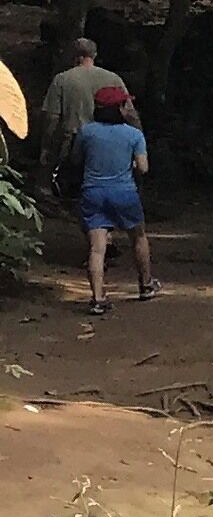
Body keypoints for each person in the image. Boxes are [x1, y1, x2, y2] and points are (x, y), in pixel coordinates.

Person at [70, 85, 154, 314]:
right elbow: (144, 168)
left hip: (93, 193)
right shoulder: (134, 135)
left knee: (97, 248)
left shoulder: (86, 132)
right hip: (124, 193)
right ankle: (146, 285)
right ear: (119, 108)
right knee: (138, 237)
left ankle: (97, 298)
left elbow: (76, 159)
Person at [36, 36, 112, 202]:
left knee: (63, 187)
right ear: (95, 55)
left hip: (72, 142)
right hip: (107, 143)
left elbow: (52, 117)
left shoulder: (62, 79)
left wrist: (47, 147)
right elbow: (129, 114)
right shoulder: (113, 79)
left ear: (75, 57)